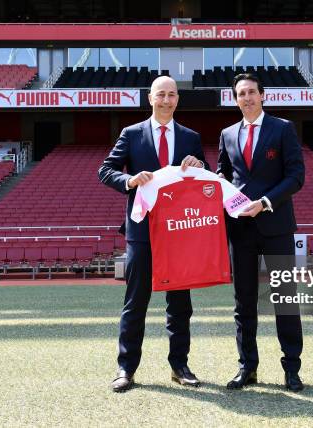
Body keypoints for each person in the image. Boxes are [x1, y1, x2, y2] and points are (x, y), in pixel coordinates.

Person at [98, 76, 208, 393]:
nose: (166, 100)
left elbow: (206, 177)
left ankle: (179, 366)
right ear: (150, 98)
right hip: (142, 231)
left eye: (172, 94)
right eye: (161, 94)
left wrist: (198, 164)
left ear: (177, 100)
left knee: (180, 305)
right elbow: (105, 170)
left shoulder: (190, 137)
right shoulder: (131, 134)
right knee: (136, 303)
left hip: (179, 233)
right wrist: (130, 181)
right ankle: (126, 368)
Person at [217, 73, 306, 391]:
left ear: (263, 95)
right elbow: (223, 176)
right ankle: (247, 367)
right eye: (241, 93)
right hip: (240, 229)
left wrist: (265, 202)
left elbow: (296, 176)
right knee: (243, 302)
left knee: (285, 300)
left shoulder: (283, 129)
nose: (247, 97)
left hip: (276, 226)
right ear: (235, 99)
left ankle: (292, 369)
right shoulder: (227, 134)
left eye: (252, 92)